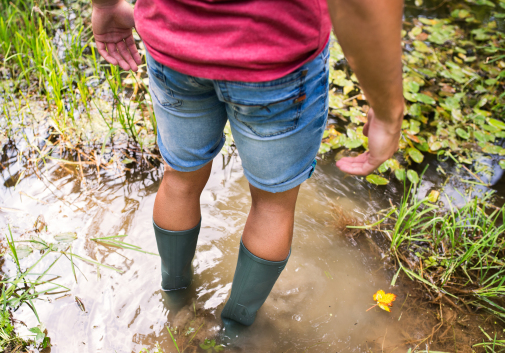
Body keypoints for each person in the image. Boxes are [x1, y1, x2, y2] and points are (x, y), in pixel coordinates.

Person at [91, 0, 404, 326]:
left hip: (174, 47)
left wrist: (107, 5)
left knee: (180, 180)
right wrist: (387, 109)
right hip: (276, 60)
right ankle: (235, 330)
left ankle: (175, 297)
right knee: (273, 206)